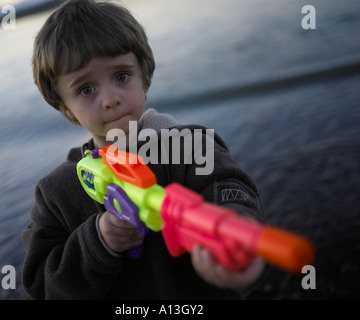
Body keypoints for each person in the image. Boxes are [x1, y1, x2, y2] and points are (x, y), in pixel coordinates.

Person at [21, 0, 266, 300]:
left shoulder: (190, 146)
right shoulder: (57, 192)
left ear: (144, 76)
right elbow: (41, 285)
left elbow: (233, 190)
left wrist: (233, 239)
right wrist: (98, 241)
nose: (110, 98)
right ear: (66, 108)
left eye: (121, 76)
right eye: (86, 89)